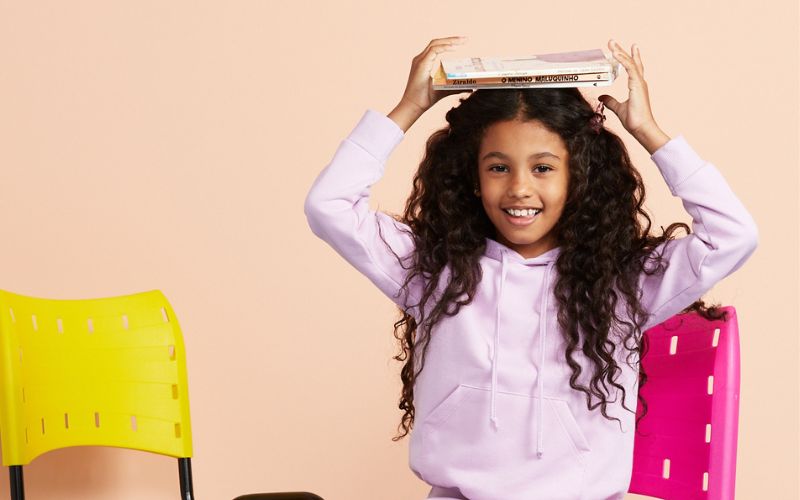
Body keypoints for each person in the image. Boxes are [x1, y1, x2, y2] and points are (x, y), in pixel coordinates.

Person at [303, 37, 758, 500]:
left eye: (543, 168)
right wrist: (408, 107)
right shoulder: (435, 272)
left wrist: (648, 132)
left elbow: (732, 235)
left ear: (578, 177)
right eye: (498, 168)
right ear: (473, 180)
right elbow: (329, 205)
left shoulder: (622, 285)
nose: (519, 188)